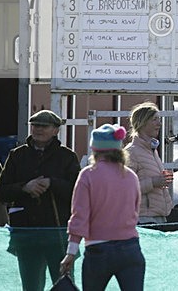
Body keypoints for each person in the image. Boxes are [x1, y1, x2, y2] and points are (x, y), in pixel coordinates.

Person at [0, 110, 81, 291]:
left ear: (56, 130)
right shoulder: (17, 155)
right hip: (26, 235)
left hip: (58, 235)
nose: (38, 129)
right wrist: (24, 188)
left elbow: (78, 193)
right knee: (31, 286)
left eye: (44, 126)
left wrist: (52, 183)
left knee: (63, 284)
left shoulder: (67, 157)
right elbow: (0, 191)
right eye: (35, 125)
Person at [60, 124, 144, 291]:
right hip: (130, 247)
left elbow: (80, 215)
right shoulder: (130, 176)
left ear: (95, 149)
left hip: (98, 249)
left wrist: (71, 251)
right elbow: (135, 210)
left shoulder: (88, 175)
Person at [124, 102, 174, 225]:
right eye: (154, 119)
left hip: (158, 217)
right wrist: (154, 182)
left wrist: (161, 181)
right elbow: (124, 188)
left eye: (159, 119)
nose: (159, 123)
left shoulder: (152, 150)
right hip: (143, 220)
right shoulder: (131, 153)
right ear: (143, 122)